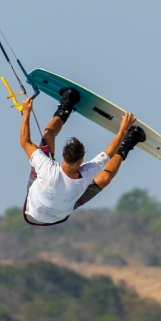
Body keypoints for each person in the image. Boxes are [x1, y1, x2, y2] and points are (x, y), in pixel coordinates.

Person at [19, 89, 146, 226]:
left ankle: (68, 101)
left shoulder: (46, 165)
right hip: (60, 210)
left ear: (62, 155)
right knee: (105, 178)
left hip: (39, 207)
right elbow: (108, 153)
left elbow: (25, 142)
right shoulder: (85, 173)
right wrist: (123, 130)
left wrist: (27, 111)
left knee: (47, 137)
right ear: (81, 162)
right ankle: (127, 143)